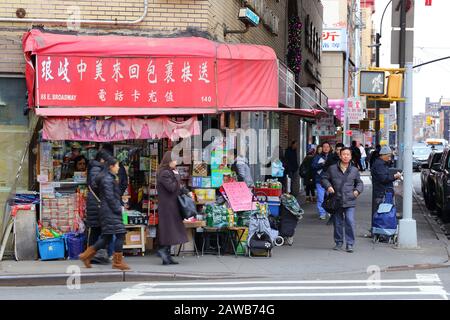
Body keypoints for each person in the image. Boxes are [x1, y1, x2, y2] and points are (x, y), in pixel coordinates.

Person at [79, 157, 130, 271]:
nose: (118, 168)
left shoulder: (107, 177)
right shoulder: (107, 178)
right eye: (117, 165)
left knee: (106, 237)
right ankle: (117, 262)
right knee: (120, 234)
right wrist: (118, 208)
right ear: (111, 166)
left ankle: (86, 256)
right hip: (110, 211)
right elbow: (110, 197)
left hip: (107, 210)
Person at [321, 147, 364, 253]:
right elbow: (324, 178)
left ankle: (350, 244)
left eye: (348, 155)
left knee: (350, 221)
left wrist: (357, 191)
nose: (345, 156)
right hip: (336, 200)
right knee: (338, 222)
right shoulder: (332, 168)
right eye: (343, 154)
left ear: (350, 157)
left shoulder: (354, 170)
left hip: (350, 200)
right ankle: (339, 242)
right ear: (340, 156)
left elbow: (359, 182)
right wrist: (328, 186)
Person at [156, 151, 189, 265]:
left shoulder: (169, 172)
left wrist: (186, 191)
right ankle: (163, 251)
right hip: (167, 206)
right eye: (174, 160)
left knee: (171, 230)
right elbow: (171, 187)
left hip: (171, 205)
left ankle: (167, 256)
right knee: (169, 229)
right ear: (169, 161)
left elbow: (178, 188)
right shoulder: (164, 173)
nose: (176, 163)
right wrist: (177, 176)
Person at [85, 150, 110, 265]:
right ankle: (92, 255)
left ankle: (93, 255)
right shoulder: (97, 169)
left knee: (97, 229)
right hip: (96, 204)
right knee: (97, 229)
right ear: (102, 160)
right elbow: (96, 185)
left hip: (96, 203)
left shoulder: (97, 168)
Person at [370, 146, 402, 222]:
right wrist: (395, 176)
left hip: (382, 192)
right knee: (381, 213)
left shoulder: (381, 163)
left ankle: (381, 230)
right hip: (382, 193)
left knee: (382, 213)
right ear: (383, 155)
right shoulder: (379, 165)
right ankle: (380, 230)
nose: (389, 158)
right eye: (388, 156)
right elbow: (383, 179)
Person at [312, 142, 332, 220]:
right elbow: (313, 166)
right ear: (322, 148)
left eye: (327, 146)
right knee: (321, 198)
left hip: (330, 181)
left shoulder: (332, 157)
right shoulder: (318, 157)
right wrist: (321, 164)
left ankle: (330, 211)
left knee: (330, 197)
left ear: (330, 148)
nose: (326, 148)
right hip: (319, 180)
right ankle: (322, 213)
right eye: (324, 147)